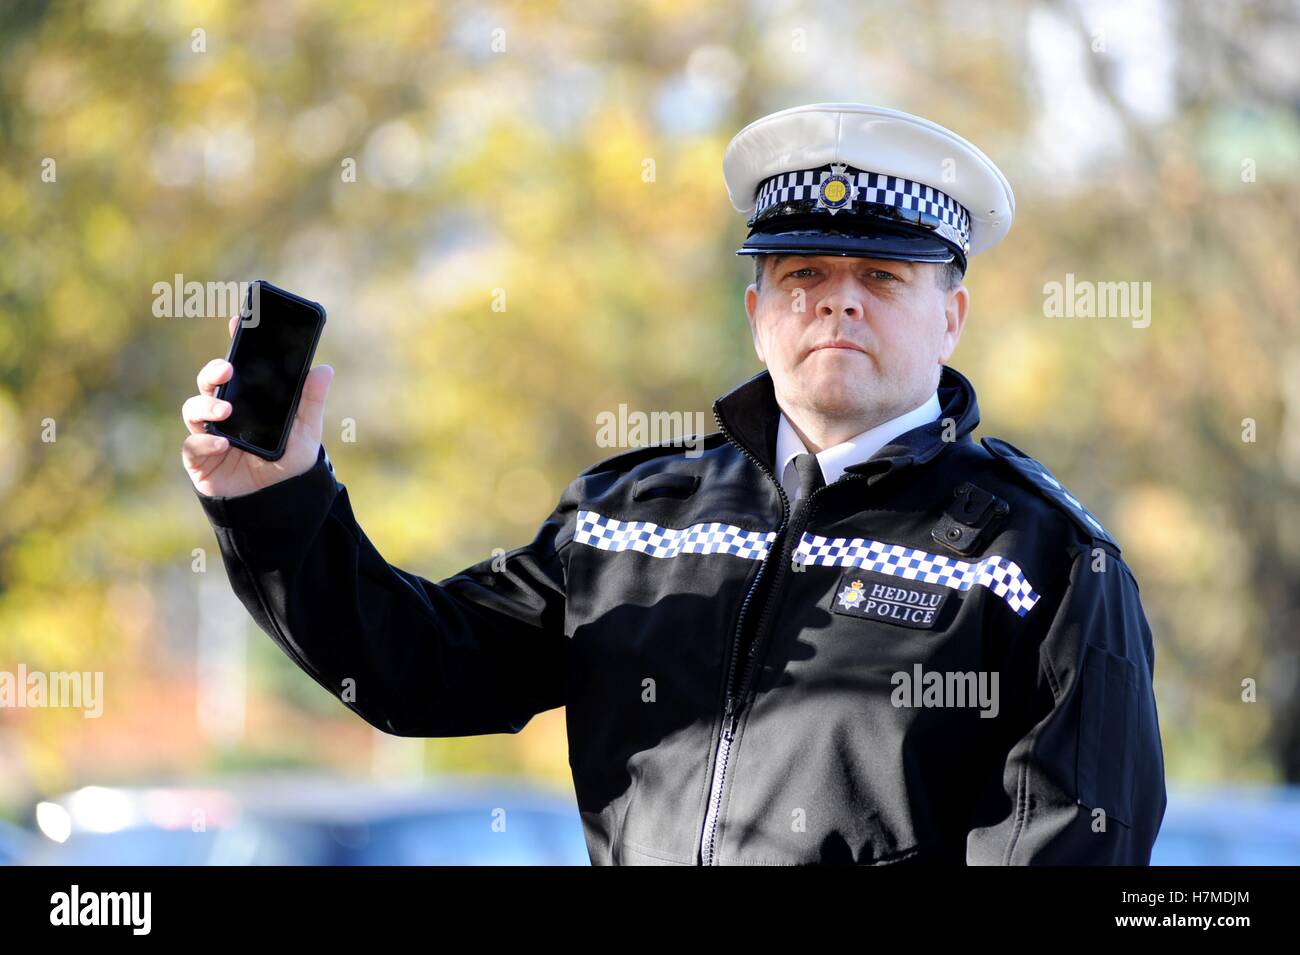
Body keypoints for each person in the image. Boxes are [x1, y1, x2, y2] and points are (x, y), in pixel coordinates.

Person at [180, 103, 1167, 865]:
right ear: (755, 313)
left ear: (950, 316)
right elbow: (413, 671)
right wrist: (276, 497)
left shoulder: (1043, 563)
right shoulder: (629, 521)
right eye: (803, 274)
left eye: (881, 276)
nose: (836, 301)